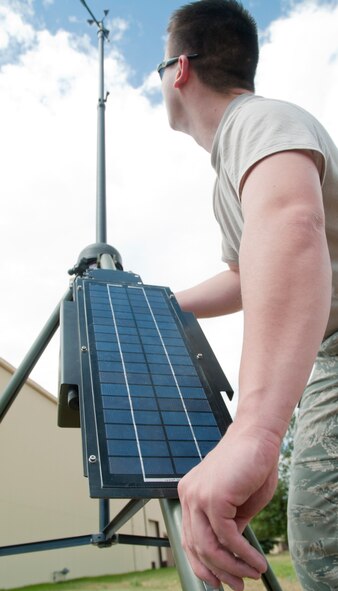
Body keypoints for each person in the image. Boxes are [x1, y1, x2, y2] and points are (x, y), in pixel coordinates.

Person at [157, 1, 338, 590]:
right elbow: (246, 272)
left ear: (178, 69)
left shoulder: (256, 123)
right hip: (326, 356)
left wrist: (255, 430)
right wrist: (164, 302)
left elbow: (292, 226)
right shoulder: (237, 164)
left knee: (323, 544)